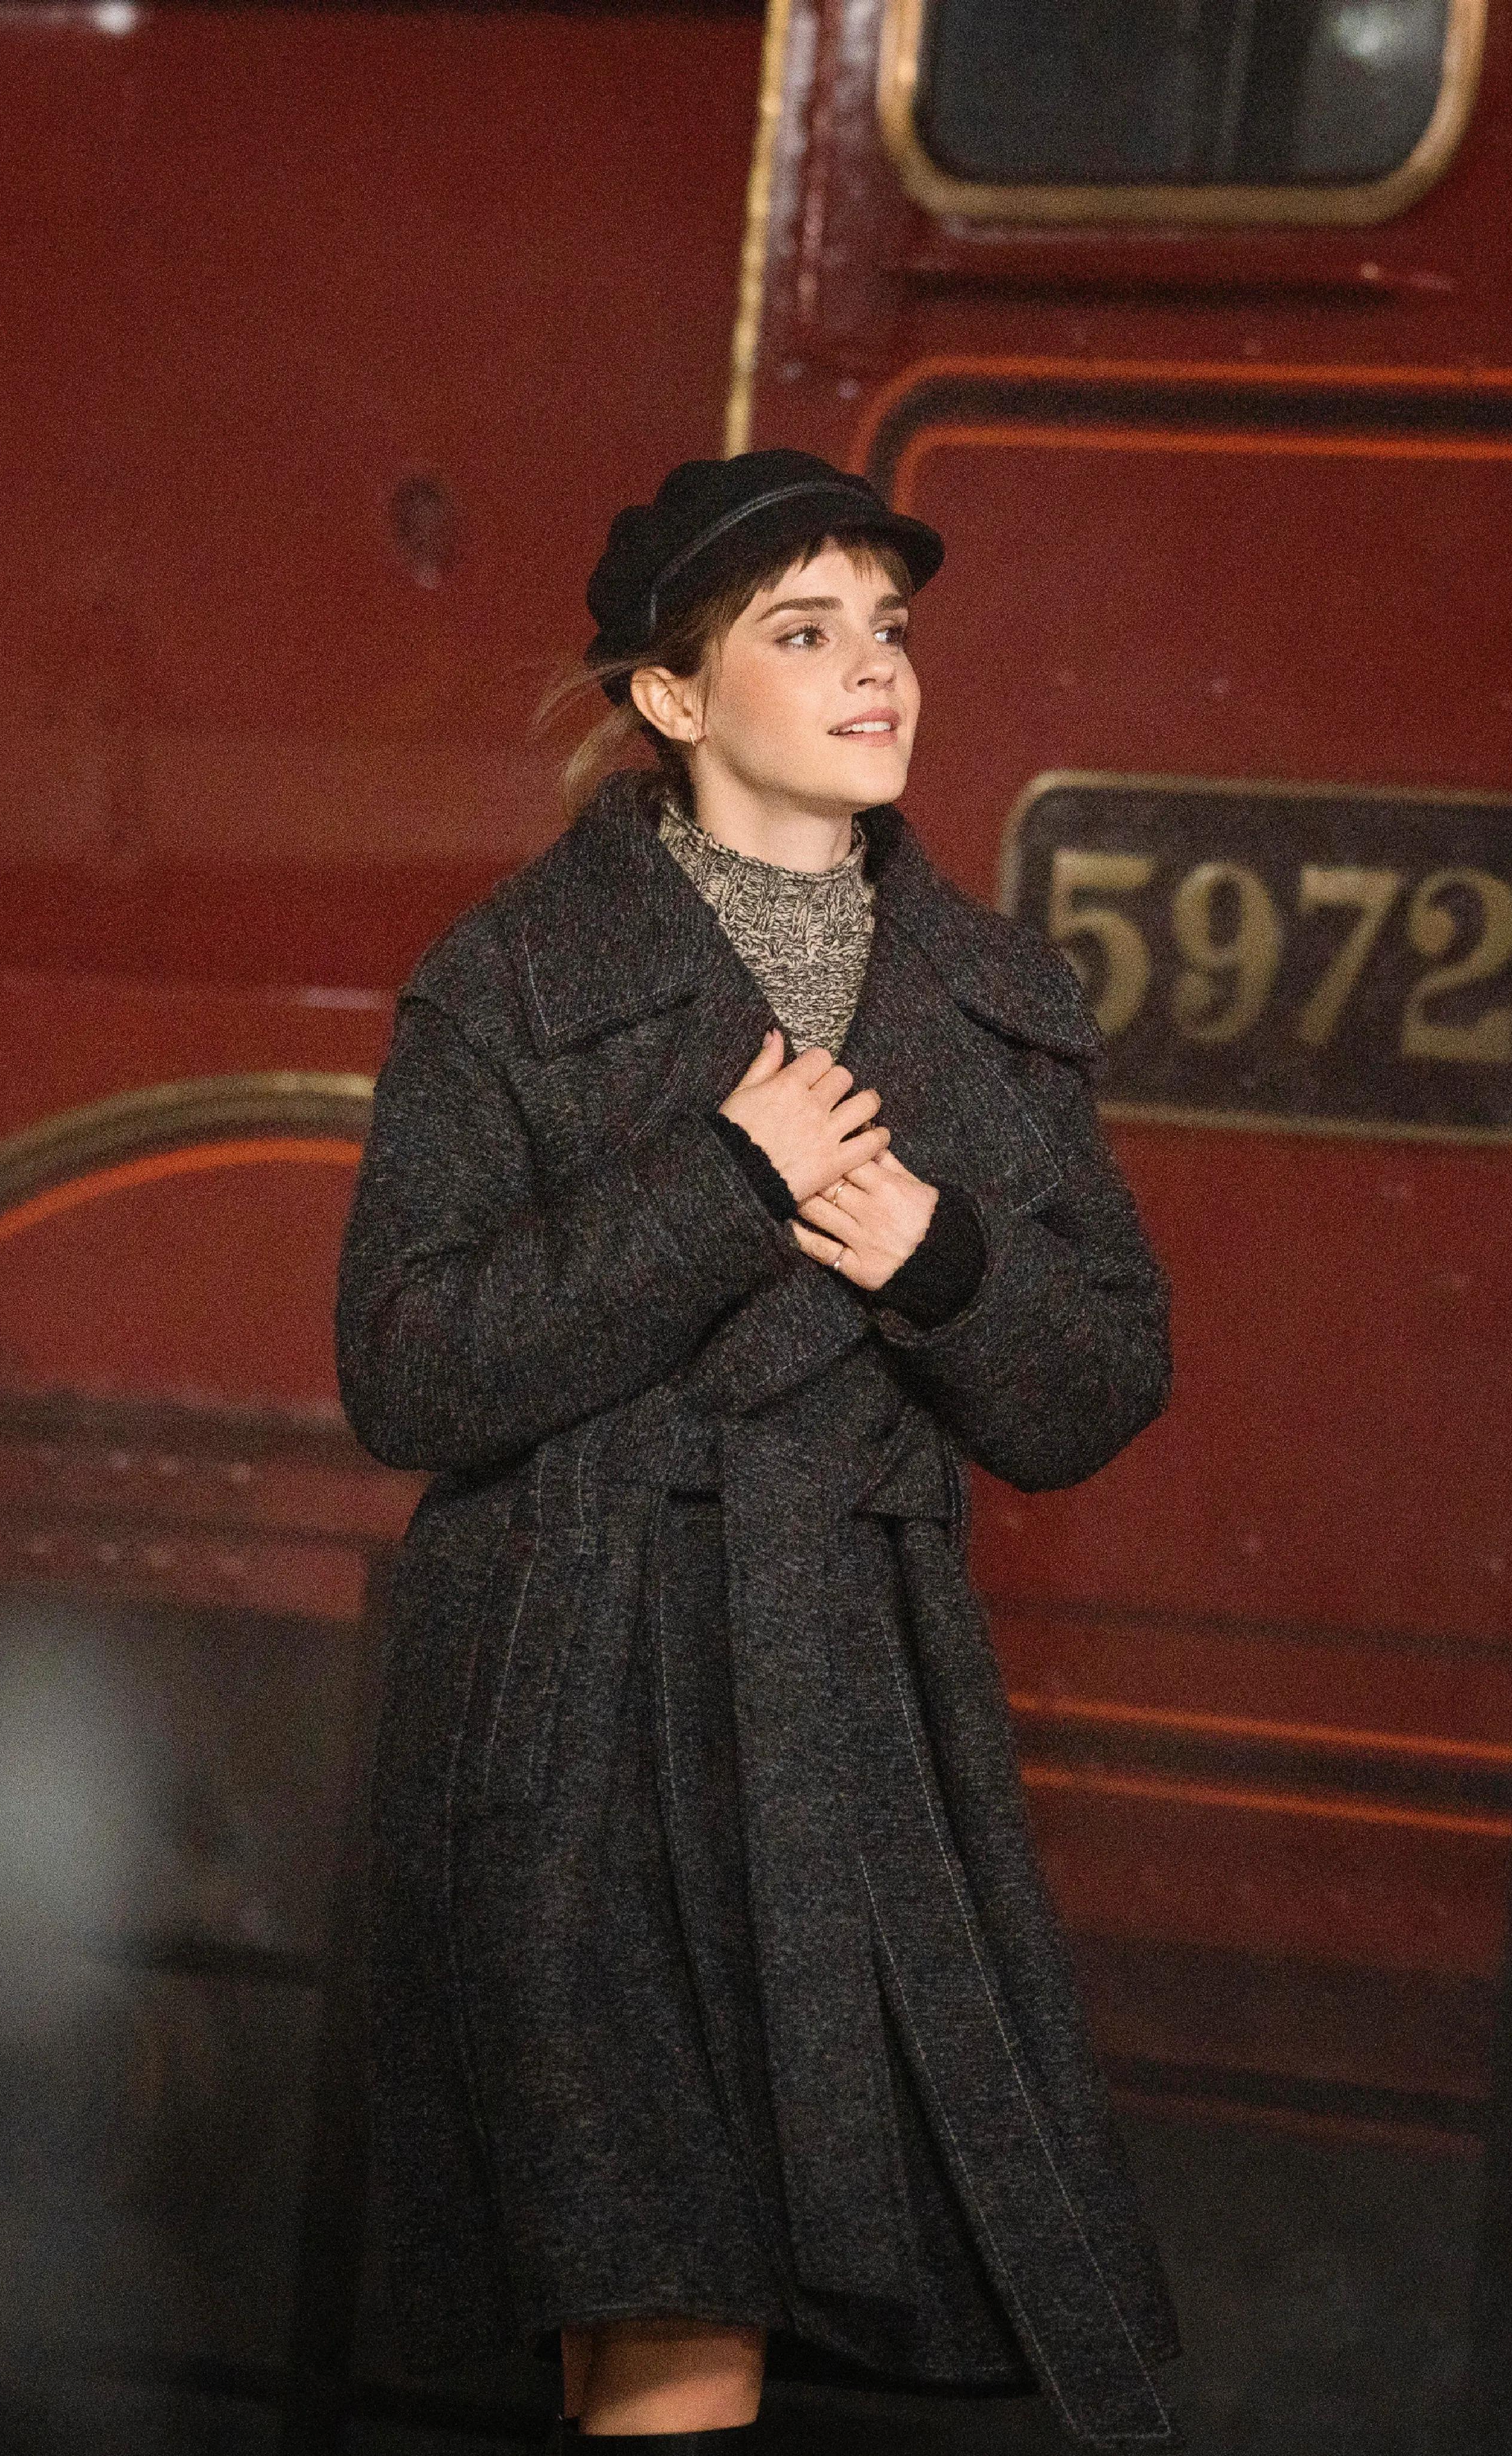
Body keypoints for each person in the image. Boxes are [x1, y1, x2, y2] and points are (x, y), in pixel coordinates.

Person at [334, 450, 1181, 2451]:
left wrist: (941, 1260)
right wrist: (722, 1185)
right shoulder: (515, 979)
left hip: (853, 1711)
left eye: (888, 628)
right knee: (661, 2296)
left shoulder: (997, 1002)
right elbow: (407, 1371)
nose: (875, 671)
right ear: (672, 695)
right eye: (804, 634)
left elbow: (1099, 1390)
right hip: (574, 1692)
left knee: (694, 2310)